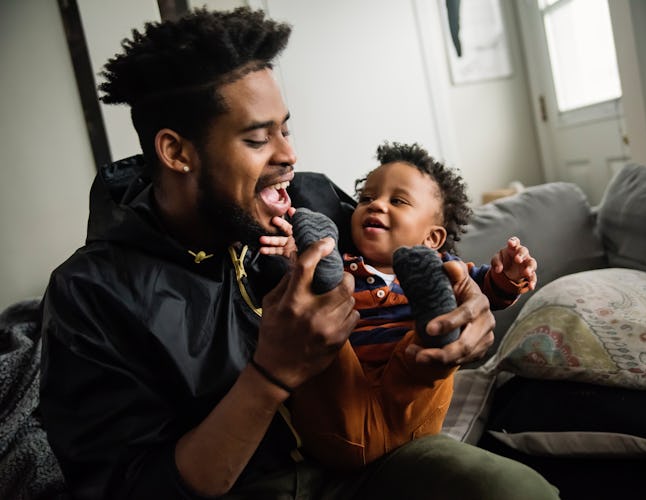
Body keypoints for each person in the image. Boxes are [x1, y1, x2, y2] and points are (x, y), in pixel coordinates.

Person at [38, 7, 559, 500]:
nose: (290, 155)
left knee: (507, 490)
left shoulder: (314, 199)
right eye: (258, 139)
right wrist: (269, 375)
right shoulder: (92, 294)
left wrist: (470, 317)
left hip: (368, 463)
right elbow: (134, 488)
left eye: (285, 128)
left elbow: (407, 273)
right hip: (242, 488)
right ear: (177, 152)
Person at [262, 141, 537, 469]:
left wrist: (509, 275)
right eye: (366, 198)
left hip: (410, 401)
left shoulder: (443, 269)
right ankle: (321, 262)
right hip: (344, 395)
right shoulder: (345, 264)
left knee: (429, 349)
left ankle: (435, 331)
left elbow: (489, 292)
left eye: (397, 201)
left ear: (432, 239)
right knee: (325, 326)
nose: (375, 205)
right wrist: (301, 258)